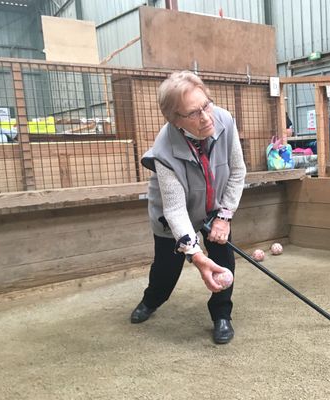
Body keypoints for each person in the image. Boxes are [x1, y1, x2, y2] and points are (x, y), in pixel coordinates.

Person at [130, 71, 246, 344]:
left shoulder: (225, 121)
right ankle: (152, 300)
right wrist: (194, 254)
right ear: (174, 119)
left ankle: (221, 315)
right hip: (173, 217)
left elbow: (238, 171)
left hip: (214, 207)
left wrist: (224, 217)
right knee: (165, 269)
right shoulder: (163, 151)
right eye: (194, 113)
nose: (206, 117)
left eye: (206, 105)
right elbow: (174, 210)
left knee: (223, 259)